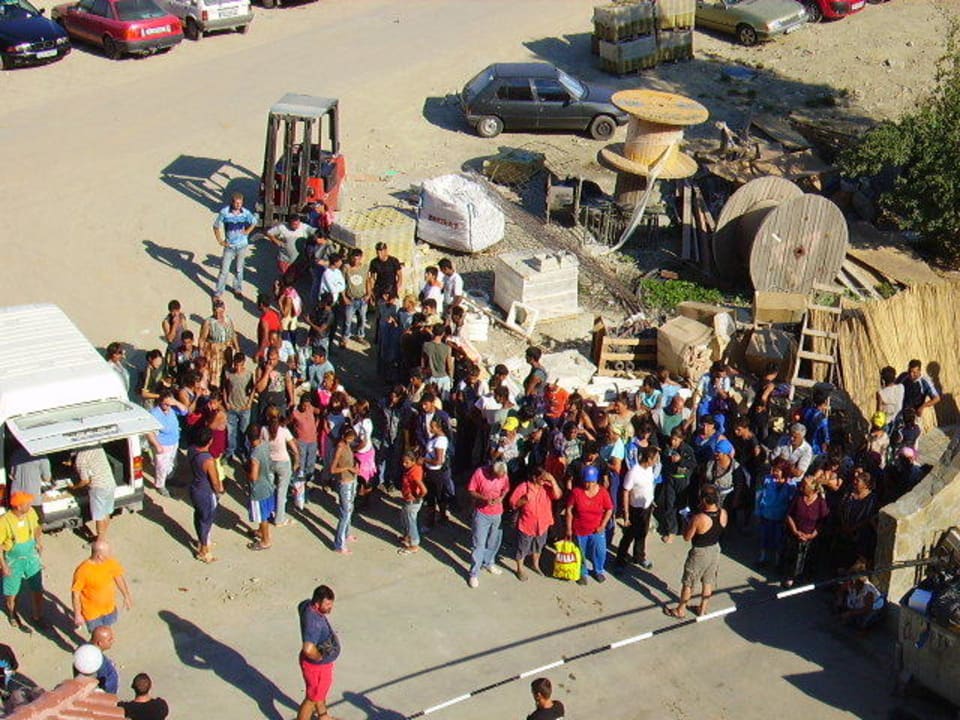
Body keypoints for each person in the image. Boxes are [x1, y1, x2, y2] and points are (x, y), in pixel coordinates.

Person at [665, 484, 728, 619]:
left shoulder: (699, 518)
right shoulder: (723, 513)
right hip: (715, 549)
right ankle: (702, 609)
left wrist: (688, 521)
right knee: (708, 581)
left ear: (704, 500)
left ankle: (681, 609)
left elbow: (687, 537)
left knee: (689, 582)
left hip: (700, 552)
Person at [0, 492, 45, 632]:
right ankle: (12, 614)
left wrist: (38, 542)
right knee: (12, 592)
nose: (30, 505)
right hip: (13, 561)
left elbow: (37, 527)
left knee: (38, 589)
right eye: (27, 503)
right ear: (18, 507)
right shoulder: (4, 521)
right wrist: (3, 566)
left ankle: (37, 616)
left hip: (31, 556)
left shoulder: (30, 513)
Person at [509, 467, 561, 580]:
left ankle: (535, 564)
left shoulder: (547, 487)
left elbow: (558, 495)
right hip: (527, 524)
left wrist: (553, 480)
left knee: (539, 546)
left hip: (543, 524)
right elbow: (513, 503)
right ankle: (520, 569)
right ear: (534, 477)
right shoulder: (523, 487)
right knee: (522, 547)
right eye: (541, 479)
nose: (543, 481)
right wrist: (523, 500)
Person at [297, 585, 340, 720]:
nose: (330, 607)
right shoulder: (314, 623)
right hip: (317, 668)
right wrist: (320, 657)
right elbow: (308, 648)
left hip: (317, 667)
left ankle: (323, 716)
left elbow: (300, 606)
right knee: (311, 699)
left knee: (318, 693)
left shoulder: (306, 606)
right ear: (317, 603)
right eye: (327, 604)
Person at [565, 466, 613, 586]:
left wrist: (603, 525)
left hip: (597, 529)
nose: (589, 485)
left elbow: (609, 509)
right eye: (586, 482)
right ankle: (583, 572)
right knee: (580, 553)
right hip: (580, 529)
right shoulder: (576, 492)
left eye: (591, 482)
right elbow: (569, 510)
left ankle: (598, 570)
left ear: (596, 481)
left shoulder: (602, 492)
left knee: (600, 552)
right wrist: (568, 528)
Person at [71, 540, 132, 633]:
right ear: (99, 556)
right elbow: (75, 594)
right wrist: (77, 614)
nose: (110, 555)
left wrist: (126, 595)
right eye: (108, 553)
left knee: (107, 629)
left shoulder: (110, 562)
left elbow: (118, 577)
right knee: (97, 634)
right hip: (92, 614)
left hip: (110, 608)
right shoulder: (82, 571)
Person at [466, 461, 510, 588]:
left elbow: (506, 488)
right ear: (492, 470)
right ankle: (474, 573)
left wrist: (501, 497)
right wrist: (484, 499)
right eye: (496, 476)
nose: (498, 478)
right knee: (479, 543)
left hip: (497, 513)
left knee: (493, 541)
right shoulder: (479, 473)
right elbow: (471, 490)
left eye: (501, 477)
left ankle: (489, 562)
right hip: (481, 513)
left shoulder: (504, 475)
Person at [615, 446, 658, 572]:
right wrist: (626, 514)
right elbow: (626, 492)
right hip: (635, 509)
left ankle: (639, 556)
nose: (656, 461)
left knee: (642, 533)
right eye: (654, 459)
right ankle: (620, 561)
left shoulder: (650, 469)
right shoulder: (633, 472)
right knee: (628, 535)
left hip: (647, 507)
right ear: (649, 459)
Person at [782, 476, 829, 588]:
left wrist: (812, 535)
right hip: (795, 533)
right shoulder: (798, 497)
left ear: (813, 489)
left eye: (804, 486)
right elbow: (789, 514)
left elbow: (823, 521)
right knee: (793, 556)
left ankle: (805, 577)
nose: (801, 488)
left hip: (811, 536)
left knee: (807, 557)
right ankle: (790, 577)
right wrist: (795, 531)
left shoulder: (820, 502)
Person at [187, 427, 224, 563]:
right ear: (210, 441)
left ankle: (202, 540)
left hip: (195, 489)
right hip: (205, 491)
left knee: (199, 515)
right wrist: (219, 490)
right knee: (207, 519)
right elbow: (214, 481)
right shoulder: (208, 460)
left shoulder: (191, 450)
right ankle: (203, 549)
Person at [213, 192, 258, 300]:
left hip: (242, 245)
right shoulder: (225, 212)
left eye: (240, 203)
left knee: (239, 269)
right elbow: (216, 226)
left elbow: (254, 221)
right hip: (230, 246)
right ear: (232, 202)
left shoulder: (245, 213)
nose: (238, 205)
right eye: (236, 203)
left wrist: (247, 231)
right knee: (224, 271)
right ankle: (218, 293)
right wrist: (220, 241)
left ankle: (237, 289)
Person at [261, 407, 300, 527]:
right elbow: (294, 448)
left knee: (269, 489)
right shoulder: (283, 431)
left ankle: (267, 513)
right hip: (283, 462)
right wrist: (297, 461)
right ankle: (279, 519)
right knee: (281, 492)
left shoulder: (264, 430)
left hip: (269, 462)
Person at [147, 390, 187, 497]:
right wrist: (157, 445)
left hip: (174, 441)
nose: (167, 406)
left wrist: (175, 403)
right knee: (161, 466)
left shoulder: (173, 409)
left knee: (172, 463)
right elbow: (149, 431)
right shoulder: (154, 413)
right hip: (163, 444)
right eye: (165, 403)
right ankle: (160, 485)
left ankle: (169, 478)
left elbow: (185, 411)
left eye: (169, 404)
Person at [71, 446, 118, 539]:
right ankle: (103, 536)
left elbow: (85, 481)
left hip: (98, 488)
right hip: (110, 482)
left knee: (99, 516)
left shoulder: (80, 459)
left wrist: (74, 487)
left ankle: (100, 541)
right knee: (106, 512)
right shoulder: (97, 447)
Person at [246, 426, 275, 551]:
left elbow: (253, 476)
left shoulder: (254, 455)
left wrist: (246, 472)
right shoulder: (265, 445)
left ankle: (265, 540)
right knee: (266, 512)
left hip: (259, 489)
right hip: (268, 484)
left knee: (262, 516)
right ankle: (260, 531)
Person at [330, 427, 359, 554]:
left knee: (349, 510)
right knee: (345, 514)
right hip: (344, 483)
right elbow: (333, 469)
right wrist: (348, 467)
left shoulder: (348, 446)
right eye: (350, 437)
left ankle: (347, 533)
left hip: (352, 481)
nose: (352, 440)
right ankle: (339, 544)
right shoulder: (340, 447)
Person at [198, 297, 239, 386]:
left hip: (227, 350)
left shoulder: (228, 320)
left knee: (227, 371)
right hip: (214, 351)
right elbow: (202, 338)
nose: (218, 314)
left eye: (220, 312)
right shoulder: (208, 322)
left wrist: (237, 349)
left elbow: (233, 334)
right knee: (215, 373)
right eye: (216, 311)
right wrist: (201, 352)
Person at [224, 352, 255, 462]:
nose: (238, 367)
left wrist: (249, 403)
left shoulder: (249, 374)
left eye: (240, 365)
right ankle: (230, 452)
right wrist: (226, 402)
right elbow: (225, 388)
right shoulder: (229, 374)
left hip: (244, 408)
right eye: (236, 365)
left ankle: (244, 452)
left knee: (244, 431)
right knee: (231, 432)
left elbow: (252, 390)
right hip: (232, 407)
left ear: (244, 364)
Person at [397, 451, 427, 556]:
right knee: (404, 517)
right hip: (408, 499)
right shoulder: (415, 468)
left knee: (411, 522)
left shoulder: (414, 473)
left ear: (413, 461)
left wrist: (417, 498)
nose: (404, 464)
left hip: (412, 501)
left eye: (406, 462)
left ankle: (414, 544)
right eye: (403, 462)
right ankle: (406, 537)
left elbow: (424, 490)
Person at [267, 213, 314, 278]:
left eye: (298, 224)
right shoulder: (282, 227)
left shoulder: (304, 227)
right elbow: (269, 233)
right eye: (294, 224)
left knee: (293, 278)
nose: (297, 226)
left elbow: (314, 231)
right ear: (289, 223)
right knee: (285, 278)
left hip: (298, 261)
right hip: (285, 260)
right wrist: (276, 241)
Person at [342, 249, 370, 344]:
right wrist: (344, 297)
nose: (355, 262)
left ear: (361, 258)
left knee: (362, 319)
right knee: (347, 320)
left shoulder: (365, 268)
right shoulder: (346, 268)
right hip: (350, 299)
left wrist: (369, 294)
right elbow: (342, 283)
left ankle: (360, 336)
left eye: (358, 259)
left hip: (362, 299)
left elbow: (367, 281)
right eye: (354, 259)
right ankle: (345, 336)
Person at [421, 324, 453, 398]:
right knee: (444, 402)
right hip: (444, 377)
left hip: (431, 377)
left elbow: (423, 362)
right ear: (443, 333)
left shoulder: (426, 345)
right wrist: (451, 378)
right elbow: (449, 366)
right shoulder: (447, 348)